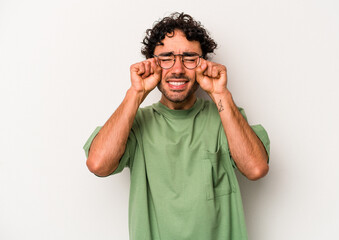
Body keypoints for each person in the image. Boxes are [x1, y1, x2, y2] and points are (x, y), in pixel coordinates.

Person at [83, 12, 270, 240]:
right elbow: (98, 164)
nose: (178, 69)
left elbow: (256, 168)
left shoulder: (225, 117)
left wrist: (221, 93)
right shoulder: (135, 122)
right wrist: (136, 92)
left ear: (203, 64)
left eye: (190, 57)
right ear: (152, 63)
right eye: (166, 57)